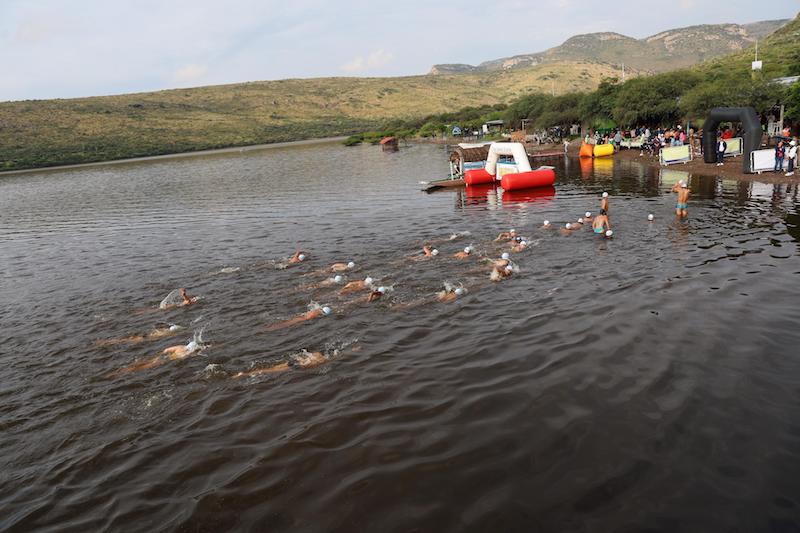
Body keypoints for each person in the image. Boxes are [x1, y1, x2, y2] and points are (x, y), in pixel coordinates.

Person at [107, 336, 206, 377]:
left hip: (161, 357)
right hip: (165, 360)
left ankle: (117, 371)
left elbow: (166, 350)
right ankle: (120, 373)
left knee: (141, 363)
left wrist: (160, 355)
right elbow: (191, 355)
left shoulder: (180, 347)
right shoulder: (187, 353)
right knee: (142, 368)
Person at [232, 350, 329, 378]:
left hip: (293, 363)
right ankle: (243, 374)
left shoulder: (317, 354)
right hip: (296, 366)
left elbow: (304, 358)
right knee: (268, 371)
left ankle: (244, 374)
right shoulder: (323, 360)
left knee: (271, 368)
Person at [95, 324, 183, 347]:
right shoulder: (168, 334)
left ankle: (106, 342)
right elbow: (154, 338)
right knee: (123, 341)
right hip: (146, 338)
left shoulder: (164, 330)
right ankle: (107, 342)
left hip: (145, 335)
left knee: (122, 340)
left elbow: (155, 331)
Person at [264, 305, 332, 331]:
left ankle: (270, 328)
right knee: (287, 324)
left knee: (287, 323)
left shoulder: (316, 310)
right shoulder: (317, 314)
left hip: (301, 317)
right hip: (303, 319)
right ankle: (270, 328)